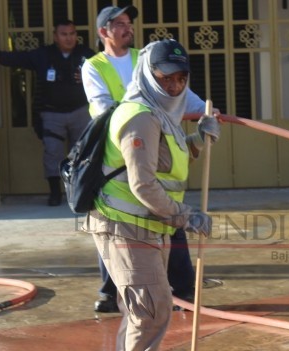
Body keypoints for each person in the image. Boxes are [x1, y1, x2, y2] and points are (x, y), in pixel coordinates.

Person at [81, 39, 220, 351]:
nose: (174, 86)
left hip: (147, 227)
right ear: (148, 74)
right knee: (153, 309)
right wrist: (185, 215)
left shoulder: (161, 115)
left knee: (141, 309)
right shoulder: (139, 115)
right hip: (123, 226)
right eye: (165, 78)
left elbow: (164, 160)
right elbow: (143, 183)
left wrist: (197, 139)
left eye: (181, 79)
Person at [82, 5, 210, 313]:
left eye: (129, 23)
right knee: (117, 224)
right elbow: (101, 106)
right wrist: (139, 118)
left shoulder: (148, 56)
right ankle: (111, 292)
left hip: (158, 139)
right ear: (104, 32)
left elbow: (182, 94)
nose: (128, 28)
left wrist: (206, 114)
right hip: (122, 145)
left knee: (166, 213)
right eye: (120, 24)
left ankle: (181, 291)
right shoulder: (95, 66)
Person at [0, 19, 96, 206]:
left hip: (80, 112)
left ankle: (79, 193)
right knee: (52, 154)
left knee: (81, 155)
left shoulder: (87, 55)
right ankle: (55, 193)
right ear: (55, 36)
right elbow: (17, 59)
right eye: (64, 34)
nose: (69, 38)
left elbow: (105, 71)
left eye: (72, 33)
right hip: (51, 114)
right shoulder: (43, 55)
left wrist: (87, 76)